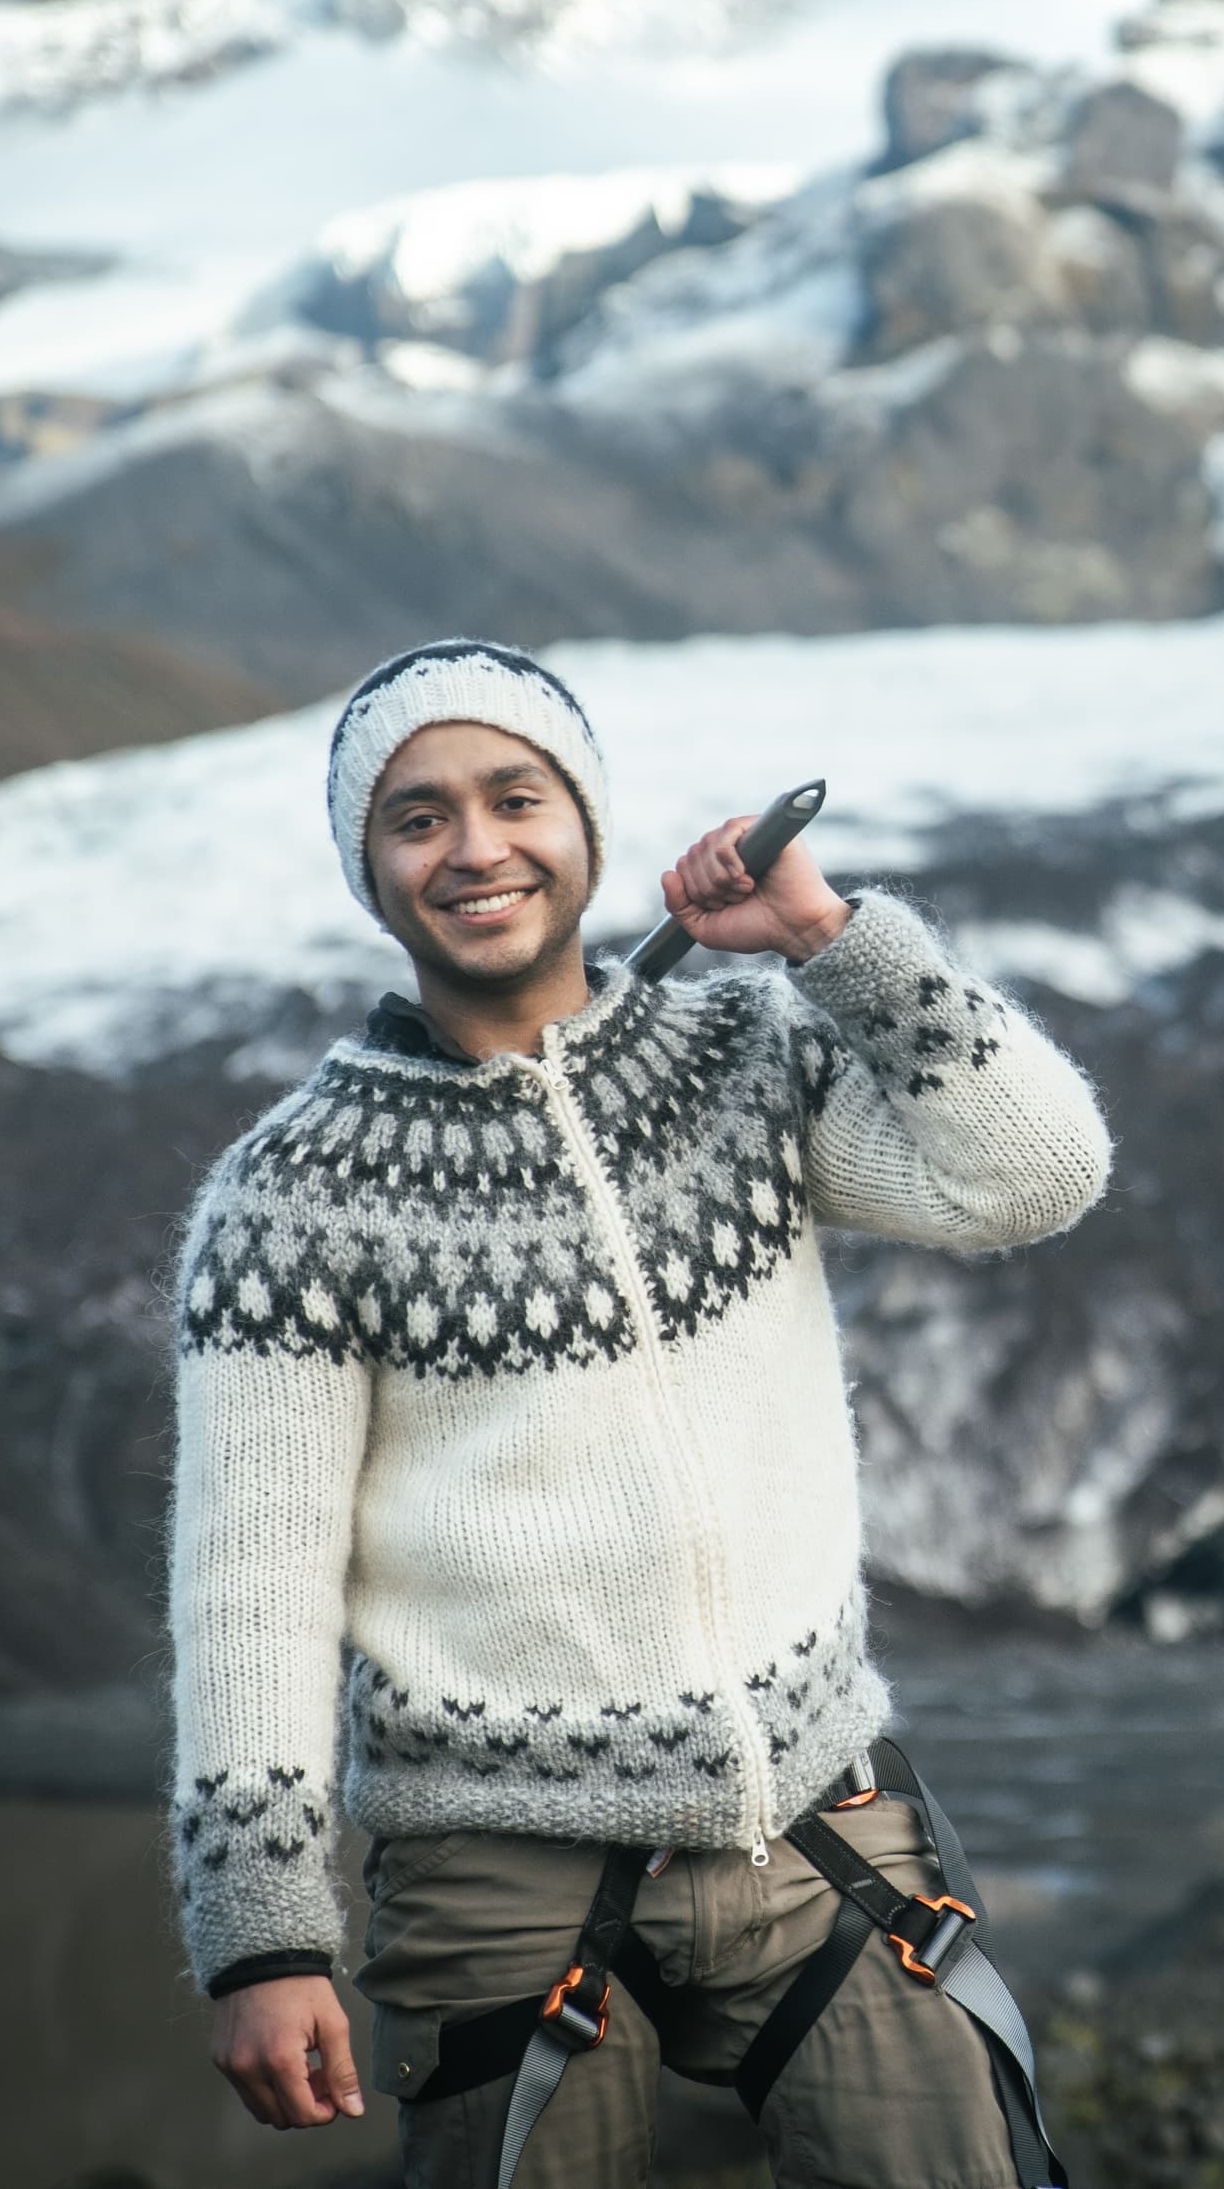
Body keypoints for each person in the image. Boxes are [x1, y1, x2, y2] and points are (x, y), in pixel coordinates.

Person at [168, 638, 1111, 2188]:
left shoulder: (744, 1057)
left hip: (819, 1822)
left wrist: (829, 938)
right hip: (492, 1869)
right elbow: (251, 1589)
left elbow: (1033, 1173)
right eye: (417, 818)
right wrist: (259, 1938)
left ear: (585, 827)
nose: (474, 846)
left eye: (515, 797)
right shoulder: (293, 1195)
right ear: (370, 866)